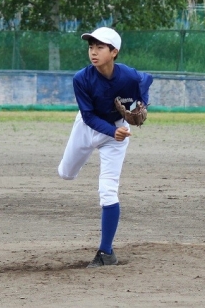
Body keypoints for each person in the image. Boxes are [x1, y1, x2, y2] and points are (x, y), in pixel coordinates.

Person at [57, 27, 153, 267]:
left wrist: (142, 103)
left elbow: (147, 79)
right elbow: (88, 116)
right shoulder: (81, 78)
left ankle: (106, 253)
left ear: (114, 52)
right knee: (65, 173)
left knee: (108, 190)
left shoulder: (129, 77)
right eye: (91, 47)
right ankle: (80, 159)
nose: (93, 52)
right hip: (87, 128)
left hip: (118, 132)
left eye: (100, 47)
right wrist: (112, 131)